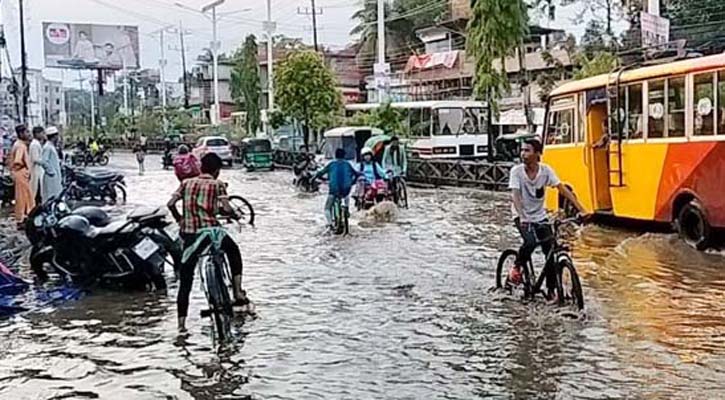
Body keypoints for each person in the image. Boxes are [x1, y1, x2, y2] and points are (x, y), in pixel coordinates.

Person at [167, 153, 249, 333]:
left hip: (190, 236)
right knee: (233, 251)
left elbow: (171, 203)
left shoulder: (186, 183)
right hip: (211, 234)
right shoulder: (217, 185)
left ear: (201, 167)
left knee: (186, 279)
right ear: (217, 170)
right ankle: (237, 292)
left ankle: (181, 325)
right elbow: (226, 209)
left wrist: (180, 219)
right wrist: (233, 215)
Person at [507, 139, 587, 298]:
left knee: (550, 251)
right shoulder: (516, 172)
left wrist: (582, 209)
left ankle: (551, 290)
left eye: (527, 151)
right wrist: (522, 216)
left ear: (537, 154)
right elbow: (515, 196)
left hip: (539, 216)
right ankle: (517, 266)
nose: (523, 154)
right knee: (530, 242)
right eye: (522, 151)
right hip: (521, 215)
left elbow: (562, 189)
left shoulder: (546, 171)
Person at [312, 148, 361, 229]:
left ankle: (330, 224)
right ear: (344, 156)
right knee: (346, 196)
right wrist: (353, 182)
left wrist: (316, 178)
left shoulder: (331, 164)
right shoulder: (348, 164)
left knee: (327, 208)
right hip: (346, 189)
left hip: (334, 190)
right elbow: (356, 174)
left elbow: (320, 173)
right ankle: (347, 208)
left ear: (335, 155)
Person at [8, 125, 34, 228]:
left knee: (26, 196)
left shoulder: (19, 144)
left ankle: (25, 217)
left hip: (20, 174)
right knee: (22, 197)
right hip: (21, 174)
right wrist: (25, 168)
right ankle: (21, 219)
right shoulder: (20, 146)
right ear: (21, 134)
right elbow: (17, 161)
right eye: (27, 132)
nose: (28, 134)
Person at [41, 127, 63, 203]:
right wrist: (52, 172)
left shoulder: (51, 146)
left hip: (55, 177)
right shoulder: (47, 147)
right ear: (54, 136)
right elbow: (43, 161)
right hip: (51, 177)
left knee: (56, 196)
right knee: (50, 197)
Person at [29, 127, 45, 203]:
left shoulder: (37, 143)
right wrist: (45, 162)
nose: (43, 135)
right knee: (36, 191)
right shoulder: (35, 144)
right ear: (37, 134)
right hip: (36, 171)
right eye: (42, 133)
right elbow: (35, 159)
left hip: (38, 170)